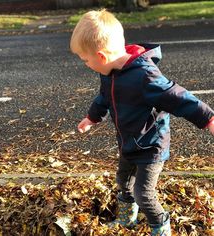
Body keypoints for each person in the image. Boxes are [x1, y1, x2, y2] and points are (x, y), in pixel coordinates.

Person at [70, 9, 214, 236]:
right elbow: (104, 97)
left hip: (150, 146)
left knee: (143, 193)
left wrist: (209, 119)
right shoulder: (109, 72)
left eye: (85, 60)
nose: (85, 64)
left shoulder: (145, 76)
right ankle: (127, 219)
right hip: (128, 142)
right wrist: (92, 117)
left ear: (101, 56)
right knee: (123, 181)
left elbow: (178, 97)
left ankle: (161, 227)